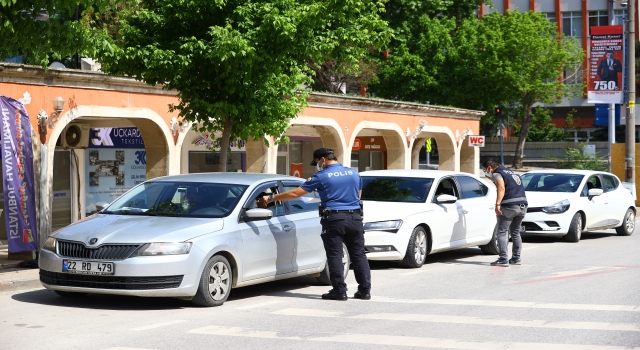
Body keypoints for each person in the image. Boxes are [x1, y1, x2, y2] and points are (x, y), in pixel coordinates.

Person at [259, 147, 371, 301]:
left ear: (323, 159)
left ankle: (339, 291)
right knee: (358, 254)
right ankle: (365, 291)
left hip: (334, 219)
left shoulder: (321, 176)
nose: (318, 165)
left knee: (335, 255)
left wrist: (271, 198)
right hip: (355, 218)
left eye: (317, 162)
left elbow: (295, 193)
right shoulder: (353, 173)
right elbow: (358, 195)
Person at [482, 159, 528, 267]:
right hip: (522, 205)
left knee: (502, 232)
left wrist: (497, 204)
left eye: (485, 170)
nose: (485, 172)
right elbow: (510, 186)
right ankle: (516, 258)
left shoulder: (498, 173)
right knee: (516, 232)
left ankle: (503, 259)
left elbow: (501, 187)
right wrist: (492, 179)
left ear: (489, 168)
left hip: (509, 206)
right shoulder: (512, 172)